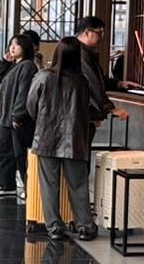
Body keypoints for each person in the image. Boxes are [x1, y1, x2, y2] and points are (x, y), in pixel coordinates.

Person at [26, 36, 103, 242]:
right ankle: (85, 226)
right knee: (78, 185)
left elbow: (31, 105)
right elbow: (88, 109)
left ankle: (54, 227)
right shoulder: (81, 81)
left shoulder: (43, 77)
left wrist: (42, 122)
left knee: (49, 185)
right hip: (74, 140)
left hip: (46, 138)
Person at [0, 31, 41, 198]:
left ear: (25, 48)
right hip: (6, 118)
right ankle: (7, 186)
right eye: (11, 44)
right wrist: (4, 61)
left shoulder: (28, 66)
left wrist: (18, 115)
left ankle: (30, 188)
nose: (12, 48)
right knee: (4, 152)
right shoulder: (13, 65)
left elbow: (24, 93)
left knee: (21, 155)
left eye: (17, 45)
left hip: (17, 119)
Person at [74, 16, 132, 129]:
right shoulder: (81, 53)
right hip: (81, 113)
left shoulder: (83, 51)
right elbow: (93, 83)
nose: (101, 37)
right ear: (87, 33)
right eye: (99, 33)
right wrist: (110, 108)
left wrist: (119, 84)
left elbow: (98, 78)